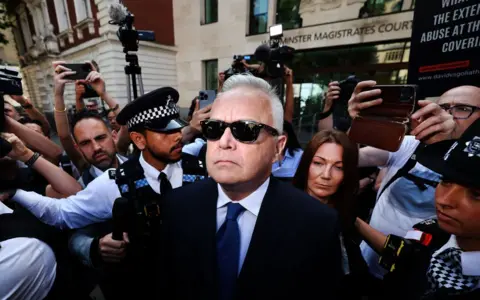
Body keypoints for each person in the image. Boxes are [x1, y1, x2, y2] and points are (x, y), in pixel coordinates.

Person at [3, 86, 207, 299]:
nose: (176, 137)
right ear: (138, 139)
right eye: (165, 132)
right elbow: (61, 213)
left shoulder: (203, 166)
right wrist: (16, 192)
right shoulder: (115, 183)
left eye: (176, 129)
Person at [161, 75, 342, 299]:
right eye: (214, 128)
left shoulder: (317, 224)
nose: (224, 142)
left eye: (245, 130)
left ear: (278, 148)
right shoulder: (177, 205)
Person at [350, 83, 477, 280]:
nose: (448, 116)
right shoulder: (409, 144)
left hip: (423, 276)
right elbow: (349, 157)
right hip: (368, 263)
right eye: (442, 108)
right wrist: (358, 123)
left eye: (462, 109)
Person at [292, 129, 369, 298]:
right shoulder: (282, 209)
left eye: (338, 167)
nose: (326, 175)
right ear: (306, 165)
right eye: (318, 163)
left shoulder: (345, 214)